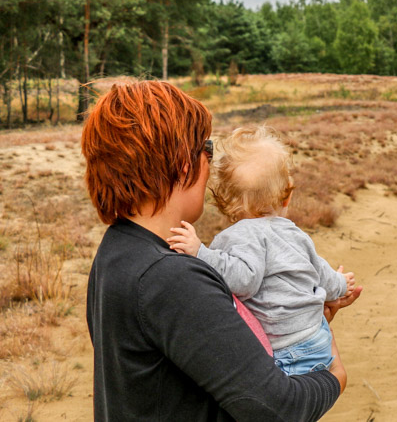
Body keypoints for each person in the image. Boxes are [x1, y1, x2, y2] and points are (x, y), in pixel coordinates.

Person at [83, 80, 358, 422]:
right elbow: (278, 408)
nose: (210, 164)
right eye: (207, 150)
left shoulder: (119, 251)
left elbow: (195, 359)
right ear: (184, 164)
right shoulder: (171, 279)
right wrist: (333, 376)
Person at [167, 125, 358, 376]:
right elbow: (320, 271)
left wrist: (201, 253)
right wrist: (342, 285)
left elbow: (244, 280)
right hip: (318, 340)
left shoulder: (241, 235)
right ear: (286, 198)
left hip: (285, 351)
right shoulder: (293, 232)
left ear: (224, 203)